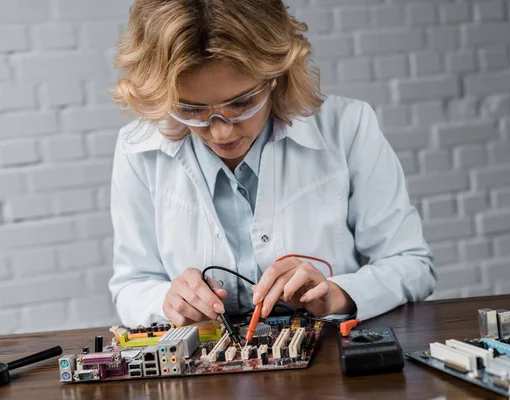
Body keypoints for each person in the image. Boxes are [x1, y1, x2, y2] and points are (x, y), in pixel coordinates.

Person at [108, 0, 436, 329]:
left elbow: (412, 264)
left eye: (242, 103)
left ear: (277, 75)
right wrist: (166, 300)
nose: (221, 132)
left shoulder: (348, 127)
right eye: (191, 109)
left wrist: (336, 295)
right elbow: (131, 286)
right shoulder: (137, 150)